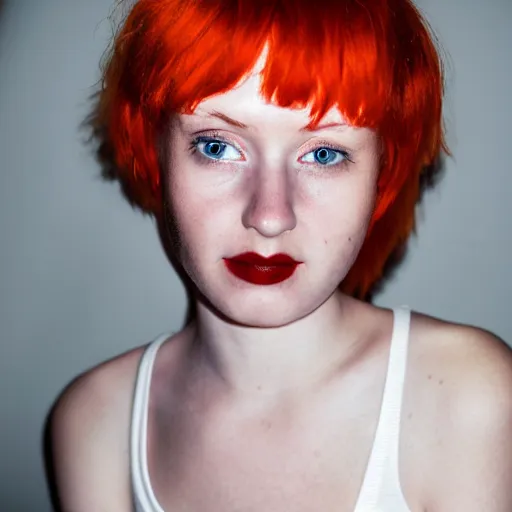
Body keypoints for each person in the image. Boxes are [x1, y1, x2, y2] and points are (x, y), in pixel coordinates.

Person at [49, 0, 512, 510]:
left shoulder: (467, 396)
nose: (269, 216)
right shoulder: (94, 422)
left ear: (384, 173)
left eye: (324, 153)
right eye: (217, 146)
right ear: (155, 153)